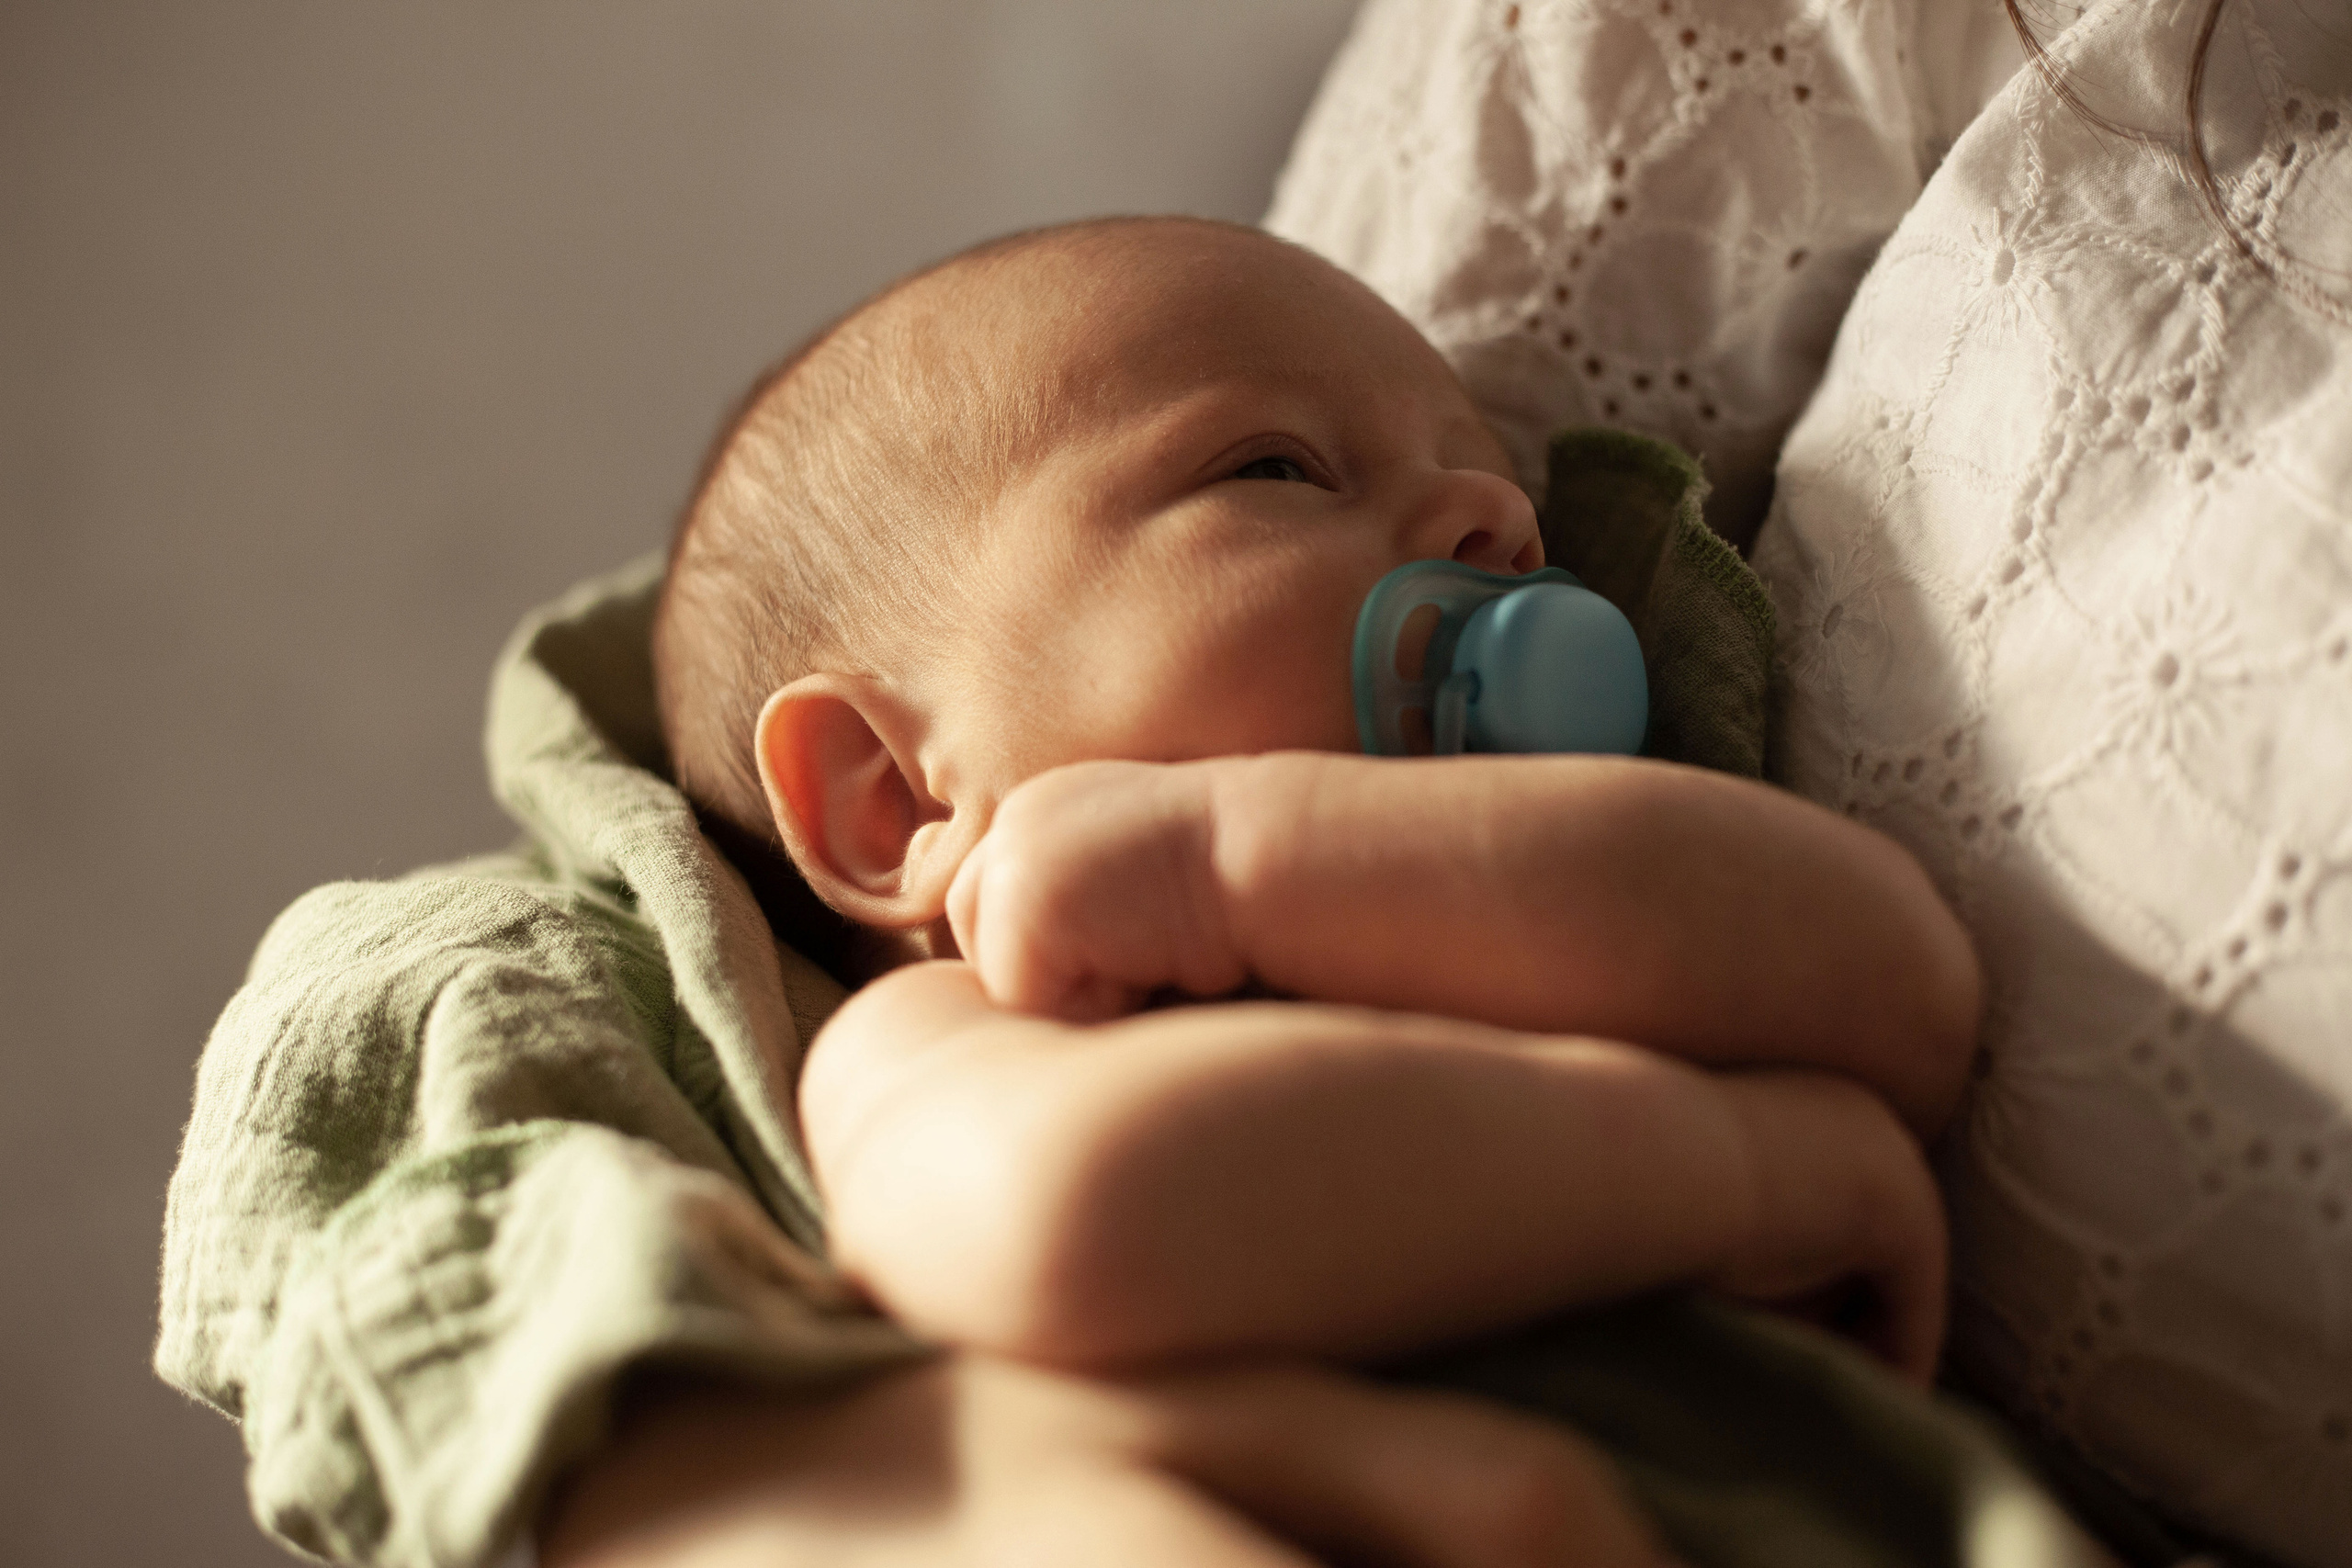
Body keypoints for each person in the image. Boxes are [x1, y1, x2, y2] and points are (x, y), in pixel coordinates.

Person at [571, 214, 1979, 1541]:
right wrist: (1741, 1170)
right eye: (1276, 470)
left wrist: (1264, 867)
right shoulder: (958, 1031)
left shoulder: (1577, 872)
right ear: (895, 799)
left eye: (1494, 479)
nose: (1496, 516)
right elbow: (1085, 1225)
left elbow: (1901, 988)